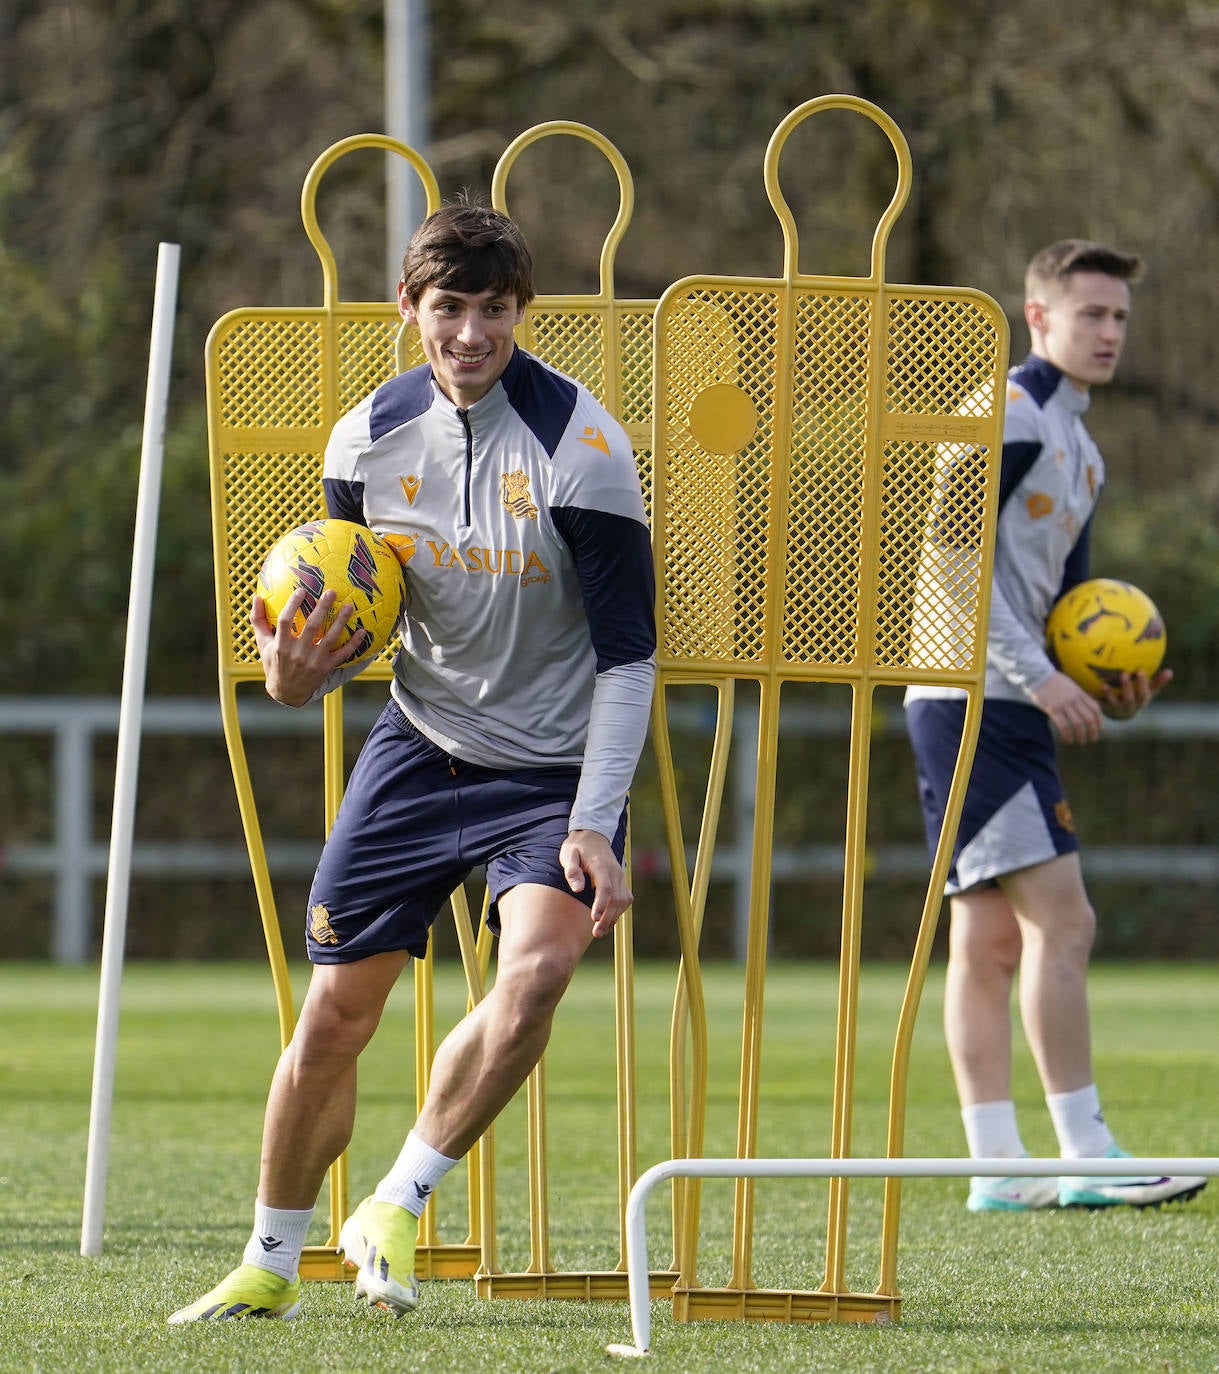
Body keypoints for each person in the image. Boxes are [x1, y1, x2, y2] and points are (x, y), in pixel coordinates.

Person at [169, 199, 657, 1321]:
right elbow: (352, 618)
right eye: (451, 308)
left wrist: (592, 818)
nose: (473, 334)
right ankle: (267, 1263)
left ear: (522, 313)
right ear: (410, 309)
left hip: (550, 771)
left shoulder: (584, 448)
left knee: (536, 969)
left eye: (495, 310)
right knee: (334, 1018)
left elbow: (629, 658)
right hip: (418, 746)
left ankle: (395, 1199)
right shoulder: (363, 440)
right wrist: (295, 681)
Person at [904, 239, 1206, 1213]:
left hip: (1004, 700)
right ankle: (1084, 1152)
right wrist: (1037, 678)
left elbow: (1062, 603)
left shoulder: (1081, 446)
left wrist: (1106, 680)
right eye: (1090, 314)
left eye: (1119, 317)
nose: (1109, 332)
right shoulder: (1003, 416)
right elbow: (951, 565)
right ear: (1036, 317)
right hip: (967, 702)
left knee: (990, 941)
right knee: (1064, 922)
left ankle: (997, 1169)